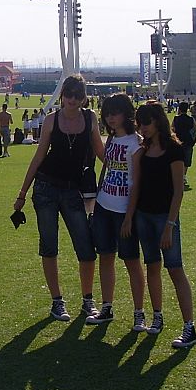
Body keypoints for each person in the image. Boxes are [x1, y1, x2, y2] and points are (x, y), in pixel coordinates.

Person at [13, 75, 105, 322]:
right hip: (46, 188)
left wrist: (122, 165)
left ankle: (88, 300)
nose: (72, 100)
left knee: (86, 248)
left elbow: (100, 152)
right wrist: (22, 193)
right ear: (62, 95)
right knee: (49, 246)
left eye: (78, 95)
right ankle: (57, 301)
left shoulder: (90, 118)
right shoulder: (52, 120)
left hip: (73, 190)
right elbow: (39, 156)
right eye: (69, 95)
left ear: (84, 97)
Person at [133, 102, 196, 348]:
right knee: (152, 266)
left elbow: (178, 191)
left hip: (164, 218)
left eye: (146, 123)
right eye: (139, 124)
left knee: (175, 269)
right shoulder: (144, 149)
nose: (142, 128)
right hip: (144, 216)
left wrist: (170, 225)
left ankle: (189, 327)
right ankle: (157, 316)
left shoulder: (174, 150)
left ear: (158, 121)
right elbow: (138, 186)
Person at [86, 94, 147, 332]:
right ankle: (107, 306)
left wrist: (129, 217)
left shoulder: (136, 143)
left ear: (127, 114)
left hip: (124, 212)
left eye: (116, 113)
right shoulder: (111, 141)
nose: (111, 118)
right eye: (108, 113)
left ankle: (139, 312)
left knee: (132, 262)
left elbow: (136, 184)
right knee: (106, 257)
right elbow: (107, 168)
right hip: (104, 206)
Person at [171, 102, 196, 187]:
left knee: (177, 159)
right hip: (188, 142)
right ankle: (184, 176)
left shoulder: (176, 118)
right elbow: (195, 130)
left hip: (178, 142)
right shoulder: (191, 119)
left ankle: (177, 176)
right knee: (186, 160)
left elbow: (172, 129)